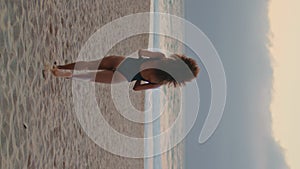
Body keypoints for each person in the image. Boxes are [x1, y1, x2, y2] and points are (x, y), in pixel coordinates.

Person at [50, 49, 200, 91]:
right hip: (125, 77)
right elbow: (136, 88)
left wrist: (142, 59)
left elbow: (141, 51)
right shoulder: (159, 82)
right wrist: (140, 80)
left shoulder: (161, 57)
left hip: (124, 62)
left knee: (90, 64)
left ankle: (60, 67)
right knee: (90, 77)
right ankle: (66, 75)